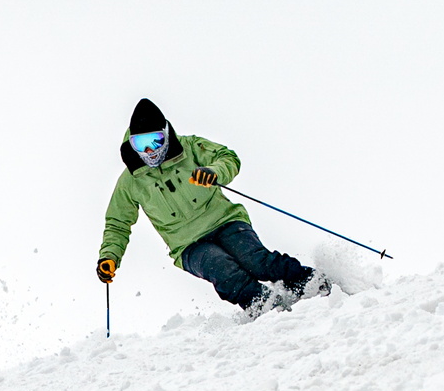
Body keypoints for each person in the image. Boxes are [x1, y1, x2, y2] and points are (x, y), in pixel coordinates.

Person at [96, 98, 327, 312]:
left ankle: (312, 284)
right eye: (140, 143)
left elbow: (228, 158)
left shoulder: (190, 148)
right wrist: (109, 257)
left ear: (166, 134)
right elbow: (118, 223)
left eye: (155, 140)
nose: (149, 151)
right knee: (223, 270)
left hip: (225, 221)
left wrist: (214, 172)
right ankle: (267, 308)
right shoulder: (130, 181)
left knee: (256, 261)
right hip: (188, 246)